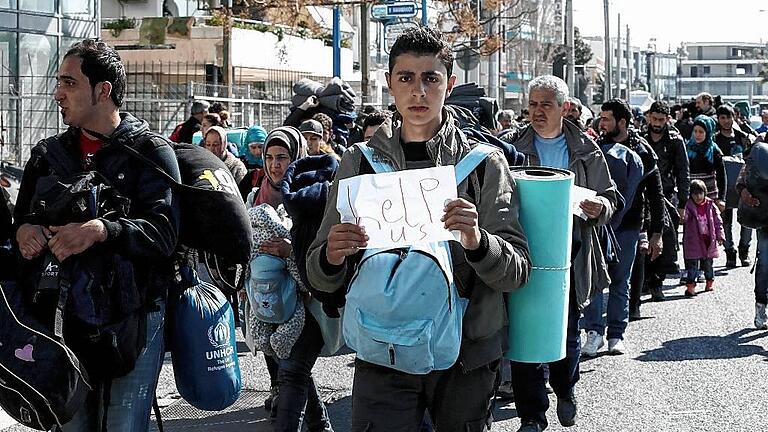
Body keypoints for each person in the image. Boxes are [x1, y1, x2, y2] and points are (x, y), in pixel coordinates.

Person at [306, 26, 532, 432]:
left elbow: (517, 271)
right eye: (406, 78)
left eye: (431, 78)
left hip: (466, 354)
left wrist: (478, 242)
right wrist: (331, 255)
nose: (419, 91)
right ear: (389, 83)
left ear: (450, 84)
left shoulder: (484, 164)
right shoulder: (359, 162)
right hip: (382, 348)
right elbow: (319, 276)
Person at [13, 39, 179, 431]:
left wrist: (102, 230)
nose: (58, 94)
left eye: (69, 83)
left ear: (103, 91)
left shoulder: (150, 152)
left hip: (133, 315)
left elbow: (164, 233)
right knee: (70, 423)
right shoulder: (47, 155)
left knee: (122, 424)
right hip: (63, 319)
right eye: (59, 82)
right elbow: (18, 221)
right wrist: (26, 232)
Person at [501, 75, 617, 432]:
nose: (537, 111)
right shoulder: (510, 146)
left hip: (570, 252)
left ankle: (566, 388)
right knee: (523, 335)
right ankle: (532, 416)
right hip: (521, 253)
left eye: (545, 105)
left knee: (565, 332)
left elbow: (610, 196)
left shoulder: (585, 148)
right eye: (533, 104)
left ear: (564, 108)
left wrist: (600, 206)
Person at [244, 126, 335, 432]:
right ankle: (319, 424)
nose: (274, 164)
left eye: (282, 157)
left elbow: (323, 243)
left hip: (309, 300)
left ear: (296, 157)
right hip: (271, 300)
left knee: (292, 371)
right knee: (292, 369)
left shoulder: (312, 193)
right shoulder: (256, 196)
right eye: (269, 157)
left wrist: (290, 250)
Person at [582, 98, 663, 355]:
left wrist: (656, 234)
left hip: (628, 227)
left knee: (620, 281)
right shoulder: (596, 148)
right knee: (594, 280)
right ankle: (594, 333)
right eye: (601, 118)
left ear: (622, 122)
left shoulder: (643, 152)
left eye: (606, 119)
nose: (601, 123)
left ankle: (616, 333)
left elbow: (655, 194)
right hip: (597, 226)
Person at [642, 101, 690, 299]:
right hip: (642, 197)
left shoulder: (675, 141)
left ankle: (657, 281)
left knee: (664, 238)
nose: (657, 123)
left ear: (667, 120)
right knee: (643, 239)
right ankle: (644, 279)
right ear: (649, 117)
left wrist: (682, 204)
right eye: (654, 119)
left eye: (661, 120)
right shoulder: (641, 140)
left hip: (666, 196)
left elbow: (683, 172)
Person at [714, 104, 753, 268]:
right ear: (718, 119)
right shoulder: (714, 139)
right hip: (723, 185)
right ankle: (730, 252)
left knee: (747, 218)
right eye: (722, 118)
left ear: (734, 117)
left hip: (743, 184)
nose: (726, 121)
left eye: (728, 117)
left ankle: (744, 250)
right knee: (726, 221)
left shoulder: (743, 137)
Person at [735, 145, 768, 329]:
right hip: (765, 218)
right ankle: (761, 305)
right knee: (765, 262)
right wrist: (744, 193)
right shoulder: (760, 151)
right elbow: (741, 179)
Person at [681, 180, 725, 296]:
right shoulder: (688, 206)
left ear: (705, 193)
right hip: (693, 241)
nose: (698, 196)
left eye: (700, 193)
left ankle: (709, 281)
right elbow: (684, 219)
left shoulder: (711, 205)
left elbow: (717, 222)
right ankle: (690, 287)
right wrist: (681, 213)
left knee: (708, 265)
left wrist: (720, 236)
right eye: (695, 194)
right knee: (692, 266)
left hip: (708, 241)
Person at [687, 115, 726, 208]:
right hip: (691, 195)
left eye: (701, 132)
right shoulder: (687, 148)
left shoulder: (714, 151)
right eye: (695, 131)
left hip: (709, 195)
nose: (697, 135)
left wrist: (721, 198)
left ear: (708, 133)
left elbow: (721, 175)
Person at [238, 125, 268, 200]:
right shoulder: (241, 164)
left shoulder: (269, 162)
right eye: (253, 147)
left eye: (260, 147)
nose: (257, 151)